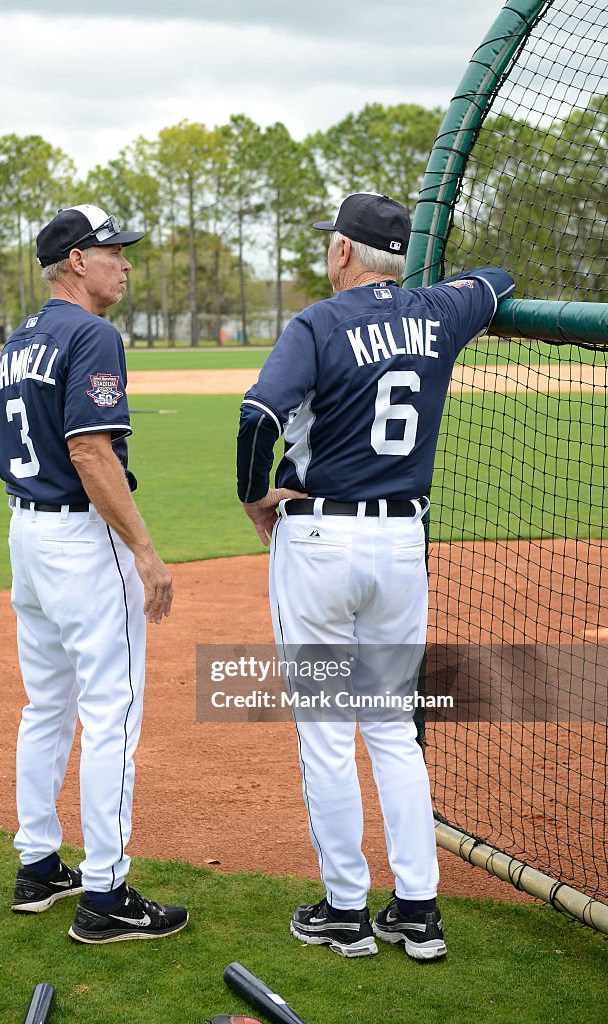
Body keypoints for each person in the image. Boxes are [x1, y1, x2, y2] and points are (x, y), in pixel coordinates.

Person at [236, 192, 514, 961]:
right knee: (393, 731)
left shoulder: (317, 323)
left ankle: (345, 912)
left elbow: (258, 416)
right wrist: (439, 292)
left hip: (320, 542)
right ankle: (418, 913)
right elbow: (496, 277)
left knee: (326, 736)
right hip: (401, 546)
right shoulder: (439, 312)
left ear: (341, 254)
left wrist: (252, 497)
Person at [0, 204, 188, 945]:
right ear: (77, 260)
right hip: (79, 537)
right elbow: (90, 452)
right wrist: (143, 549)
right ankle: (105, 894)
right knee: (111, 713)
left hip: (26, 536)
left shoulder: (21, 339)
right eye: (113, 251)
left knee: (46, 705)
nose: (125, 262)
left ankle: (38, 863)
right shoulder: (92, 333)